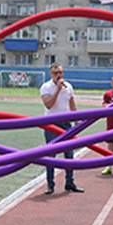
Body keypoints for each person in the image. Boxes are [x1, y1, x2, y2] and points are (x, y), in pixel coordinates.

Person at [40, 62, 84, 195]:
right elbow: (48, 105)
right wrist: (58, 89)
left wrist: (77, 123)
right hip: (52, 124)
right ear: (50, 74)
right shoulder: (46, 87)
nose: (58, 75)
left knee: (69, 154)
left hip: (66, 125)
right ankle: (50, 184)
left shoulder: (68, 87)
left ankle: (69, 182)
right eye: (55, 73)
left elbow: (72, 105)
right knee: (51, 156)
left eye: (60, 72)